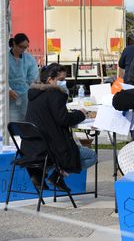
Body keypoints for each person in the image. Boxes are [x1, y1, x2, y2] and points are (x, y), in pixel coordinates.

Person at [20, 63, 96, 192]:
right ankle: (59, 174)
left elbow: (54, 115)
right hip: (51, 148)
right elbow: (63, 119)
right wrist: (81, 114)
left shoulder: (34, 94)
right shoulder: (55, 94)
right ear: (50, 80)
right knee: (92, 156)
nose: (64, 83)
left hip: (31, 148)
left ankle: (40, 174)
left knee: (77, 154)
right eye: (61, 80)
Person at [8, 33, 39, 122]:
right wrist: (8, 89)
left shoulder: (29, 59)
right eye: (21, 47)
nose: (23, 50)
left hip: (24, 96)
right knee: (11, 121)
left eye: (25, 47)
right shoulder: (4, 58)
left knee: (25, 120)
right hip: (8, 96)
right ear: (14, 43)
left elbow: (33, 78)